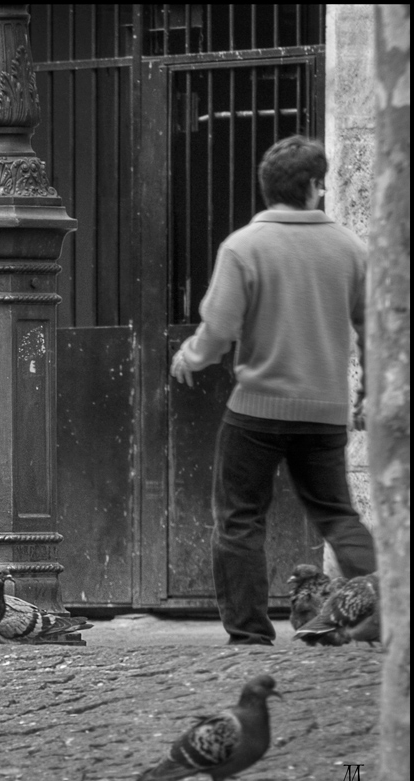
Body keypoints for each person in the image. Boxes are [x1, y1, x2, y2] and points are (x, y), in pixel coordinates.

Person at [170, 135, 377, 646]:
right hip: (324, 412)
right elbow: (375, 325)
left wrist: (189, 357)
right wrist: (369, 390)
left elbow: (219, 330)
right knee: (337, 515)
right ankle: (393, 609)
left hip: (256, 412)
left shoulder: (243, 247)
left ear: (267, 190)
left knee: (239, 518)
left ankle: (249, 635)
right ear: (311, 186)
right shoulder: (350, 247)